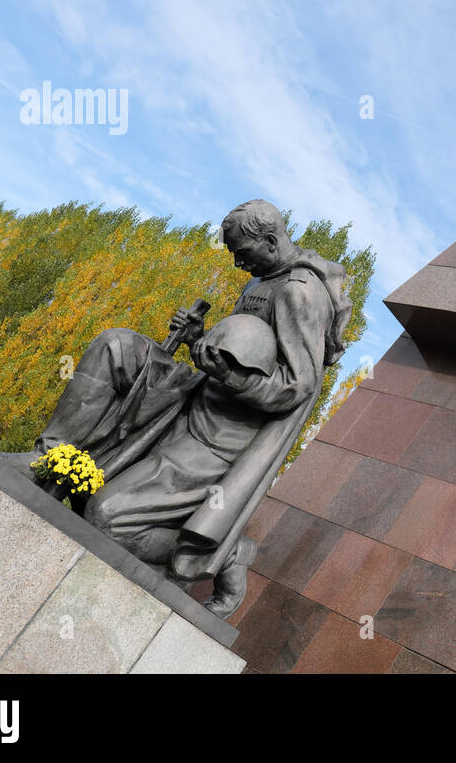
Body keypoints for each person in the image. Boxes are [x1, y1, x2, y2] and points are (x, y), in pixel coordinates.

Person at [29, 199, 351, 617]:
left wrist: (228, 375)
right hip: (195, 393)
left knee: (106, 517)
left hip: (219, 439)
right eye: (233, 253)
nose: (237, 262)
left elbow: (295, 388)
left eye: (241, 252)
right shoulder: (258, 281)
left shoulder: (299, 293)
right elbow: (239, 346)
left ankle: (226, 552)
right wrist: (201, 339)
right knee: (117, 346)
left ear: (270, 241)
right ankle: (49, 455)